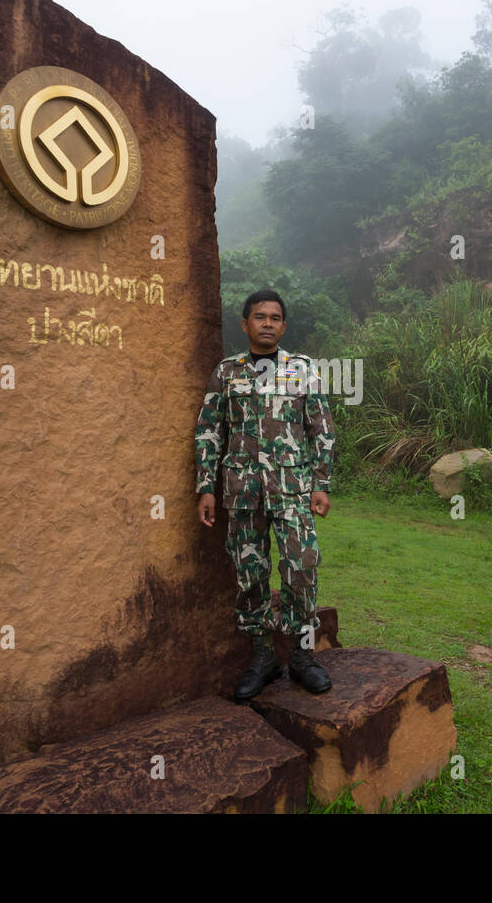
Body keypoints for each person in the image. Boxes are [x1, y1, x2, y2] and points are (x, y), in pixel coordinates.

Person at [195, 289, 335, 698]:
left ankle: (302, 657)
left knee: (301, 568)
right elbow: (208, 432)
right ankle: (262, 657)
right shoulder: (226, 372)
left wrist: (321, 484)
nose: (268, 323)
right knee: (249, 574)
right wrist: (205, 487)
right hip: (242, 491)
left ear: (283, 325)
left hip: (292, 490)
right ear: (245, 324)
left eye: (275, 317)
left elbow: (321, 430)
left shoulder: (303, 369)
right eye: (260, 317)